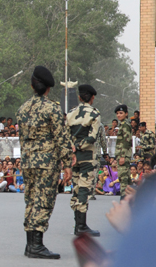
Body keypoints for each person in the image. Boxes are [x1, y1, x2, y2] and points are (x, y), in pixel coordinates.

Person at [16, 66, 72, 259]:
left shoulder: (22, 109)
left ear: (32, 85)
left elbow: (22, 139)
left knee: (31, 200)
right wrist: (67, 165)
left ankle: (30, 245)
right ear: (48, 88)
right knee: (44, 201)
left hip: (28, 162)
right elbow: (62, 138)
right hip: (47, 162)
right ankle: (36, 245)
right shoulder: (52, 108)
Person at [66, 84, 101, 237]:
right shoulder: (94, 114)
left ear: (80, 97)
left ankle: (77, 224)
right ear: (92, 98)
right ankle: (81, 226)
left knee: (76, 188)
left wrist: (72, 147)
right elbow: (92, 138)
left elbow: (65, 137)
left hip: (73, 158)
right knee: (84, 190)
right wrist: (79, 145)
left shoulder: (70, 114)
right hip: (87, 157)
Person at [114, 104, 132, 199]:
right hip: (122, 155)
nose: (119, 115)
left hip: (123, 156)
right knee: (127, 179)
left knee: (123, 179)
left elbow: (126, 141)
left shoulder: (125, 125)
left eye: (121, 113)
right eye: (117, 113)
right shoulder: (123, 124)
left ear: (126, 113)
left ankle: (124, 200)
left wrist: (123, 156)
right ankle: (132, 200)